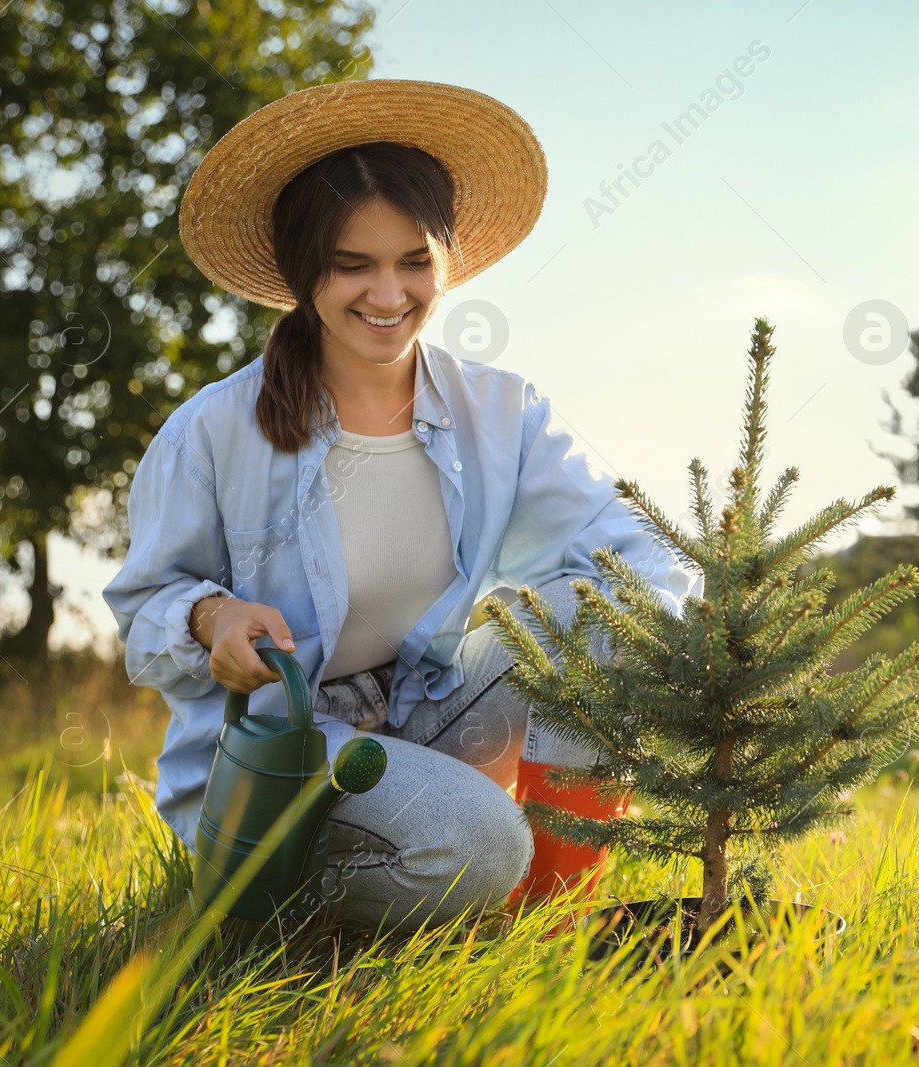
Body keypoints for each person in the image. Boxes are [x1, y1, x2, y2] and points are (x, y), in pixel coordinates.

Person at [102, 80, 698, 934]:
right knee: (482, 843)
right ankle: (266, 905)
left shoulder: (500, 410)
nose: (389, 294)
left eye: (413, 261)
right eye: (353, 265)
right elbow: (142, 612)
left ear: (444, 262)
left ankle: (546, 927)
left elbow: (631, 548)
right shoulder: (213, 431)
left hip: (432, 710)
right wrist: (208, 616)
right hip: (286, 746)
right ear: (306, 272)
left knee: (603, 611)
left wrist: (689, 643)